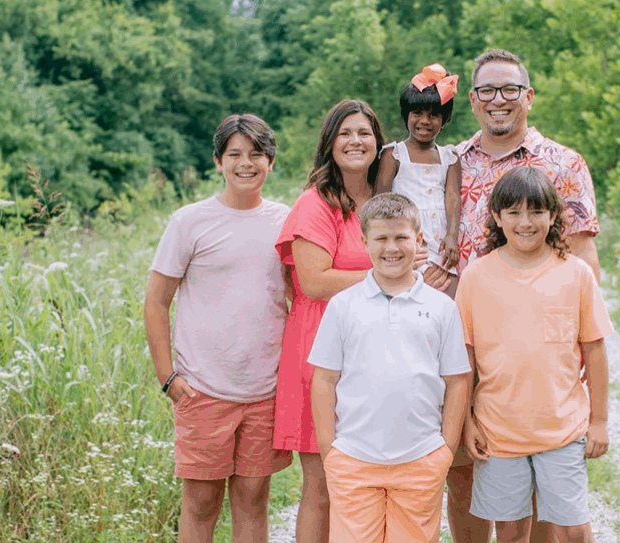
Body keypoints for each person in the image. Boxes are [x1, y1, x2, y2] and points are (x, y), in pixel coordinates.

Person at [442, 49, 605, 543]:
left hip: (541, 353)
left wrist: (577, 348)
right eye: (487, 90)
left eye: (510, 89)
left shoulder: (564, 163)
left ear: (528, 96)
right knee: (463, 470)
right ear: (473, 100)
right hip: (465, 341)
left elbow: (584, 262)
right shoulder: (453, 163)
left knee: (544, 489)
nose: (499, 99)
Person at [145, 113, 293, 543]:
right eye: (235, 154)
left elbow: (296, 292)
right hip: (202, 387)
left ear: (271, 162)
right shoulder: (189, 221)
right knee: (201, 501)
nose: (246, 163)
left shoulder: (285, 221)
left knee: (253, 498)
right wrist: (166, 376)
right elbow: (156, 301)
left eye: (257, 154)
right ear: (217, 161)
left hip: (265, 389)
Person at [455, 167, 612, 543]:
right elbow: (464, 362)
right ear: (497, 217)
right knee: (510, 533)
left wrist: (599, 421)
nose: (525, 223)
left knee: (573, 530)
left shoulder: (575, 274)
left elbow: (595, 351)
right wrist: (467, 422)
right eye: (513, 212)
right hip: (497, 433)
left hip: (562, 430)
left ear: (553, 215)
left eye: (536, 212)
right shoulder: (476, 277)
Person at [308, 193, 472, 543]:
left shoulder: (442, 308)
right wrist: (329, 450)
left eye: (401, 237)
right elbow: (324, 379)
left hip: (421, 458)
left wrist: (445, 449)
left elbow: (458, 380)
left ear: (419, 239)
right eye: (381, 238)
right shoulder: (342, 306)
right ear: (364, 242)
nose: (392, 248)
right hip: (353, 458)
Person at [272, 99, 385, 543]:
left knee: (369, 485)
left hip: (374, 352)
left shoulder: (385, 200)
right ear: (330, 143)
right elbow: (314, 281)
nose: (355, 141)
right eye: (345, 133)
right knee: (323, 485)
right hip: (320, 350)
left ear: (378, 142)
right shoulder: (315, 203)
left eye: (364, 133)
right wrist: (387, 273)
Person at [377, 63, 464, 296]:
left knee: (448, 291)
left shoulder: (450, 157)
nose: (425, 120)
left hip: (441, 244)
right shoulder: (394, 155)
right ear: (406, 115)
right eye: (417, 113)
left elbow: (453, 199)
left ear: (445, 119)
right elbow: (380, 202)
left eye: (433, 115)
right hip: (407, 241)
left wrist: (452, 237)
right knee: (410, 295)